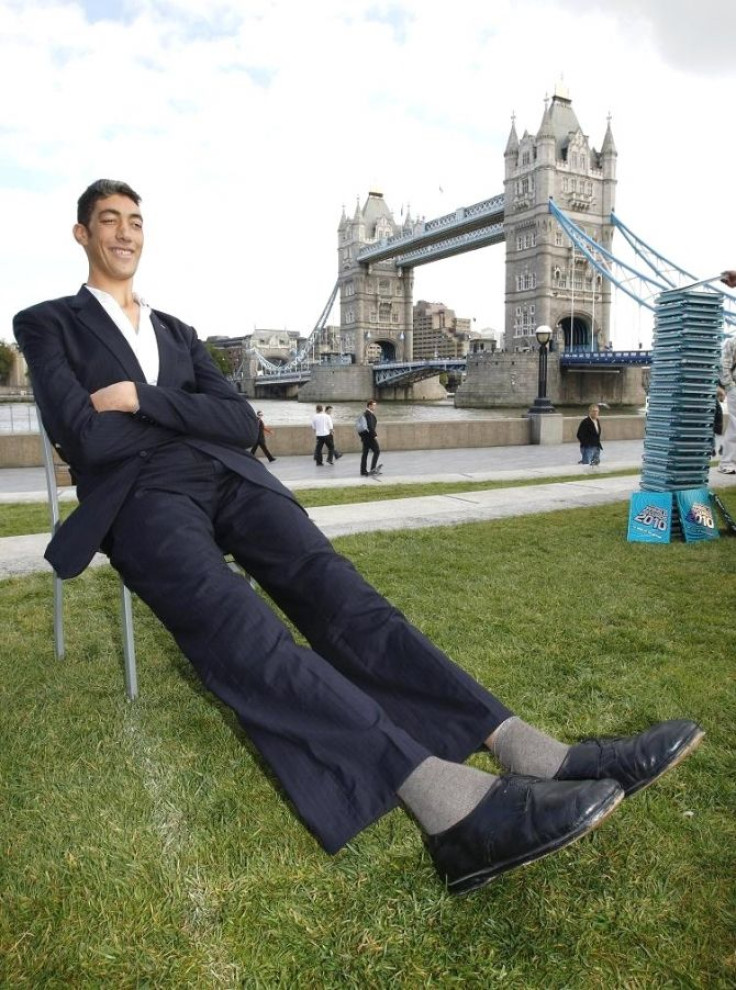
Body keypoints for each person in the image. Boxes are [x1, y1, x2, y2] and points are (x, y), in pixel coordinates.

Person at [13, 179, 705, 896]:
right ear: (82, 235)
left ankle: (536, 753)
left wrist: (141, 400)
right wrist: (185, 411)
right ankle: (449, 809)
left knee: (349, 603)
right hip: (139, 503)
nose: (124, 233)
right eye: (108, 222)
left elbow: (244, 425)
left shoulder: (176, 332)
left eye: (134, 221)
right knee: (246, 635)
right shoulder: (46, 322)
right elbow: (85, 438)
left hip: (228, 478)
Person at [359, 399, 381, 476]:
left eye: (375, 405)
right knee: (377, 451)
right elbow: (370, 426)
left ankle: (363, 471)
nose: (375, 406)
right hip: (370, 437)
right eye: (374, 405)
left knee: (365, 454)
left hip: (365, 437)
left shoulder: (365, 413)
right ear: (370, 406)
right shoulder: (368, 414)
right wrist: (375, 435)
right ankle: (373, 469)